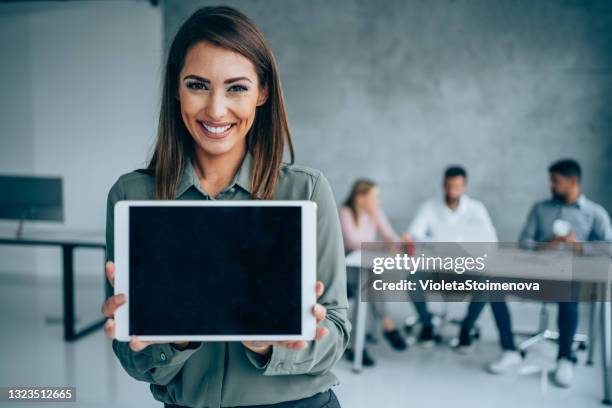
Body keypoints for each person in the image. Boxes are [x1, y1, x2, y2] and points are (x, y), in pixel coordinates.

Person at [100, 6, 349, 408]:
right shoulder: (132, 196)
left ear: (262, 92)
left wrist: (268, 344)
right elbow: (135, 358)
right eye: (198, 85)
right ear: (176, 88)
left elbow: (335, 332)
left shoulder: (307, 190)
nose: (216, 110)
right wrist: (175, 336)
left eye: (236, 88)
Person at [480, 159, 612, 387]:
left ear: (573, 181)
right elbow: (524, 242)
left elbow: (609, 246)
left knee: (569, 291)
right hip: (536, 276)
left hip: (570, 281)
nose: (551, 185)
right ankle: (509, 350)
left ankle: (564, 358)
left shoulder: (594, 213)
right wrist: (547, 245)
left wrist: (579, 246)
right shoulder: (541, 209)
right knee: (493, 284)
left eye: (556, 181)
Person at [404, 166, 497, 347]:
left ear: (465, 187)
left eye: (456, 186)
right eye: (448, 186)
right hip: (437, 269)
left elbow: (491, 241)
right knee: (412, 280)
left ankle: (466, 329)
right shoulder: (430, 207)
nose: (451, 190)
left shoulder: (476, 209)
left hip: (468, 269)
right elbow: (413, 235)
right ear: (443, 185)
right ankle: (427, 325)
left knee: (488, 283)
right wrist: (436, 243)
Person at [339, 179, 407, 366]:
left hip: (364, 266)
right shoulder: (345, 212)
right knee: (368, 283)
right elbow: (353, 242)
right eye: (374, 196)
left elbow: (390, 235)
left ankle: (355, 345)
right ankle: (387, 326)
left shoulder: (375, 212)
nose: (377, 201)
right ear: (361, 197)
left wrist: (394, 243)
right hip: (345, 266)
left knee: (368, 284)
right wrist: (384, 245)